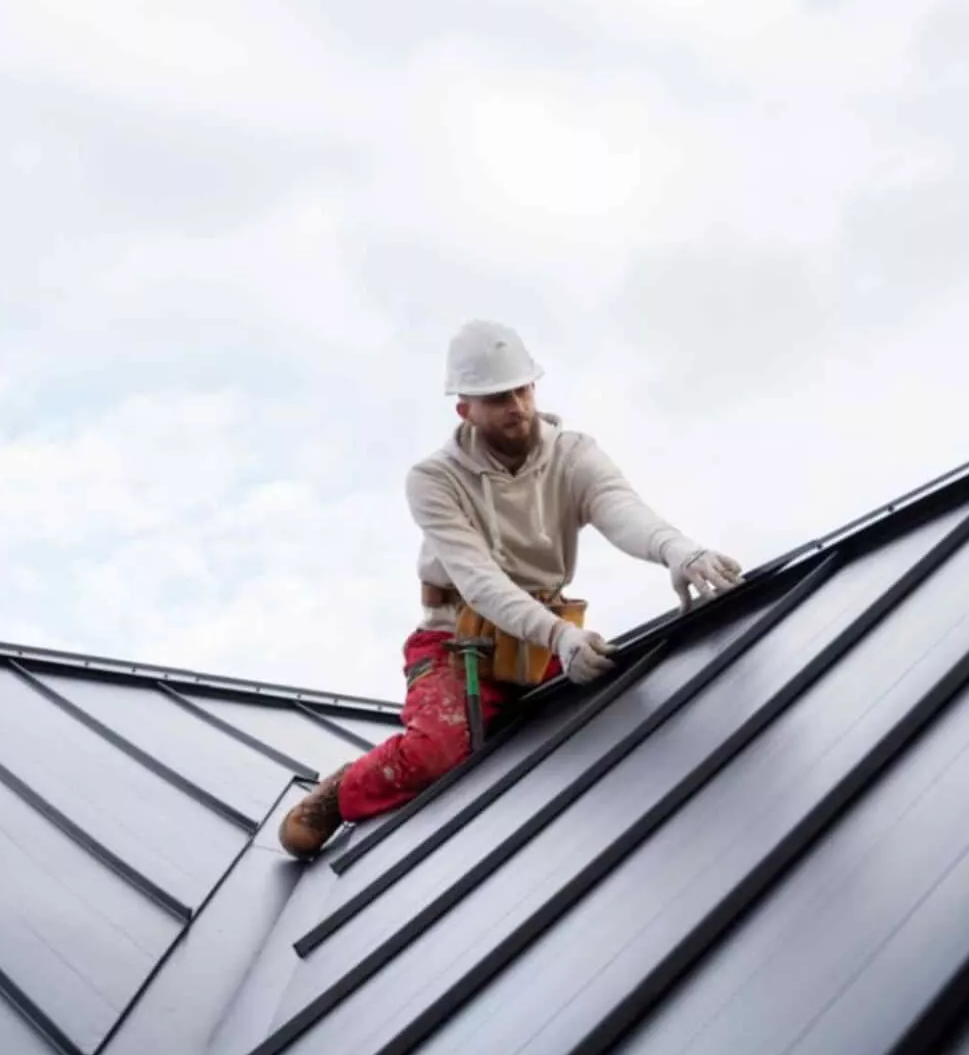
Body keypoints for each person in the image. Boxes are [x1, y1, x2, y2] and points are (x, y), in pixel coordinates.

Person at [280, 320, 743, 857]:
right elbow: (479, 581)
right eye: (498, 397)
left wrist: (678, 551)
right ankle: (343, 791)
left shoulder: (573, 455)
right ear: (465, 410)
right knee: (435, 752)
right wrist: (558, 637)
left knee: (624, 703)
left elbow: (620, 508)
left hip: (543, 641)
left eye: (522, 389)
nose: (516, 406)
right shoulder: (434, 481)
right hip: (460, 645)